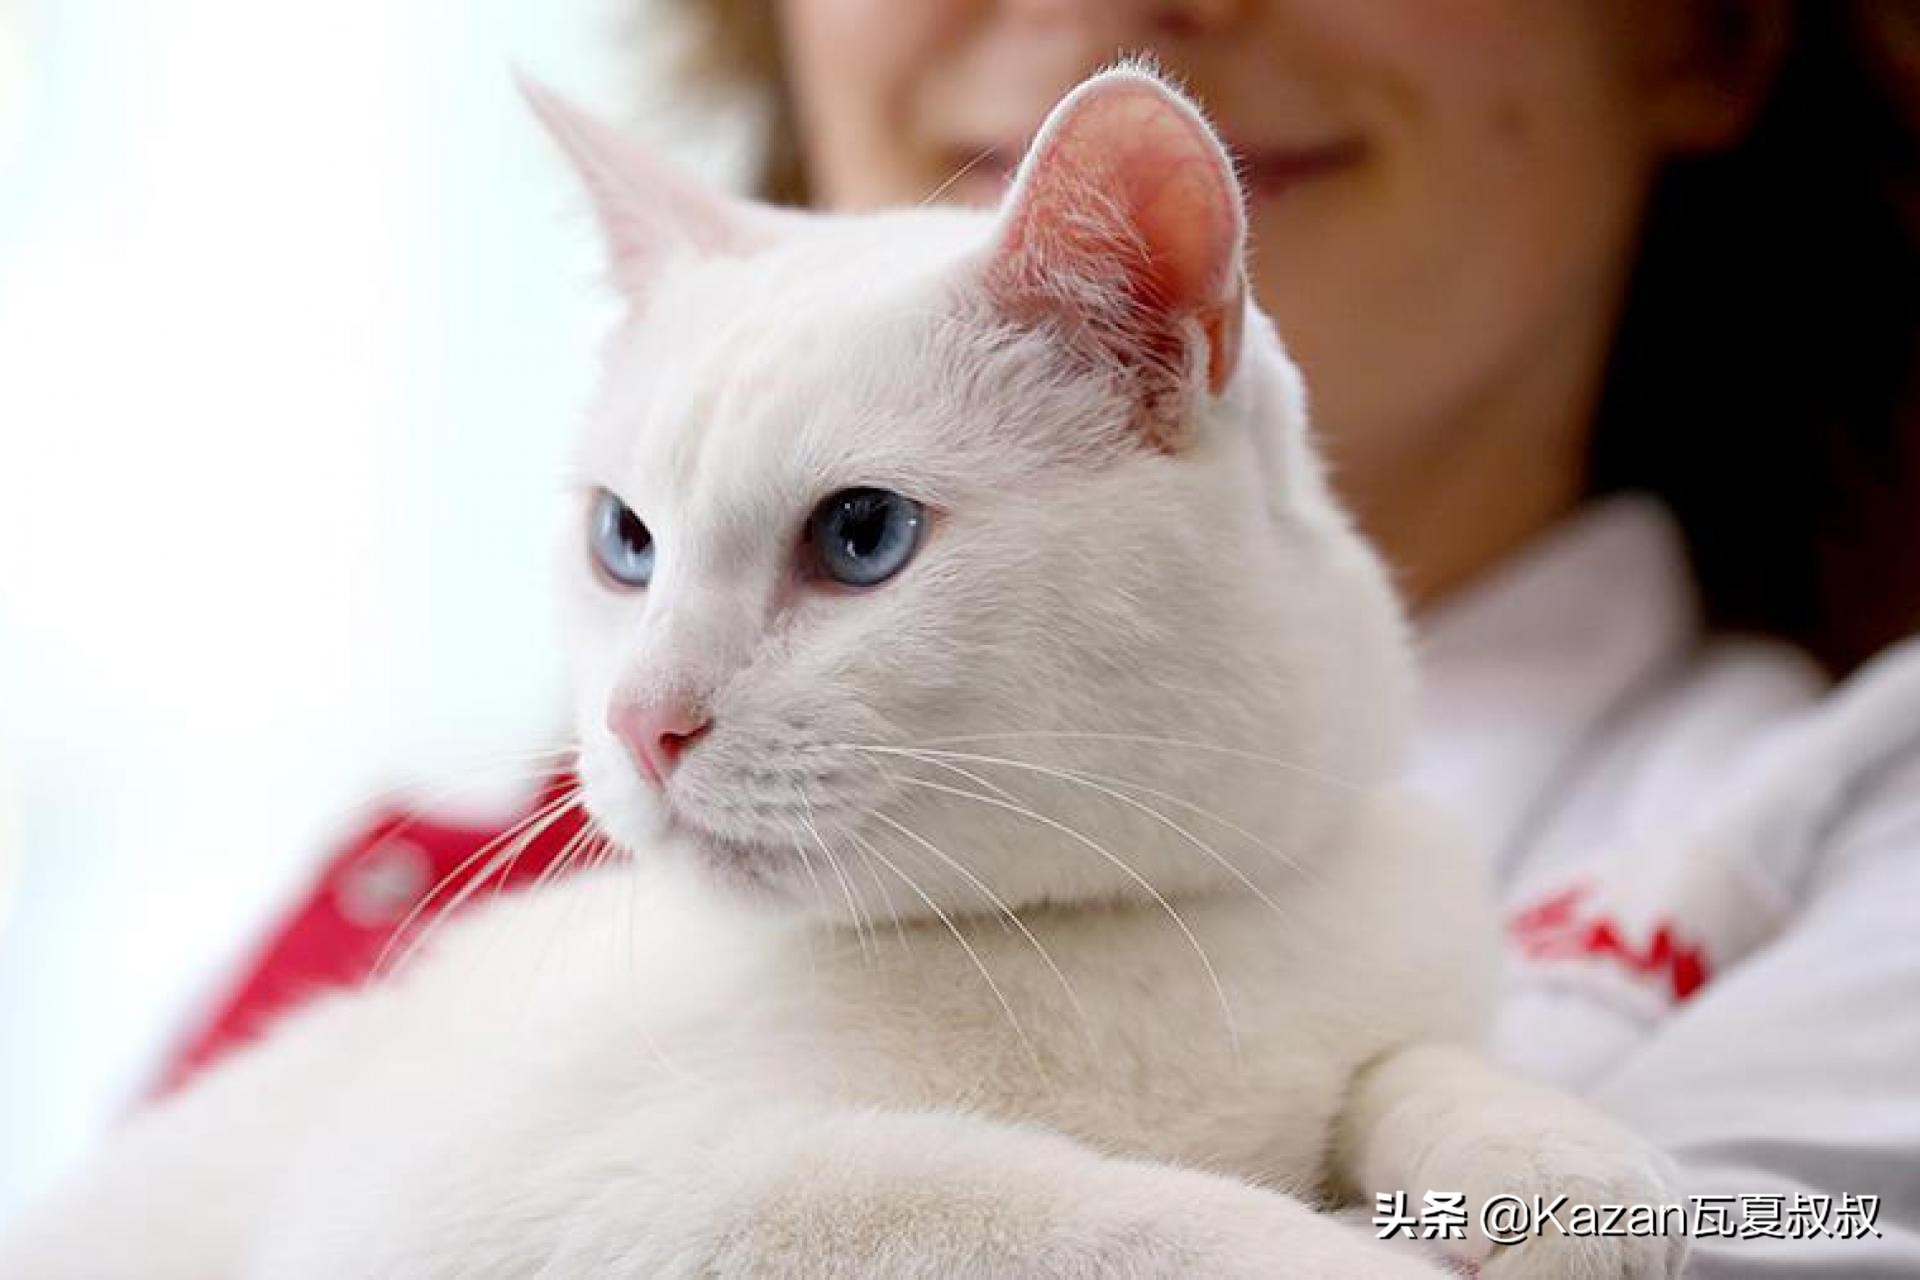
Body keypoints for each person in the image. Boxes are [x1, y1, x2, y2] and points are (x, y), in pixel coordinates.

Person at [157, 2, 1920, 1273]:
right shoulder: (440, 889)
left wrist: (1413, 1113)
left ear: (1710, 36)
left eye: (859, 535)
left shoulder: (1853, 835)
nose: (653, 716)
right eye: (627, 543)